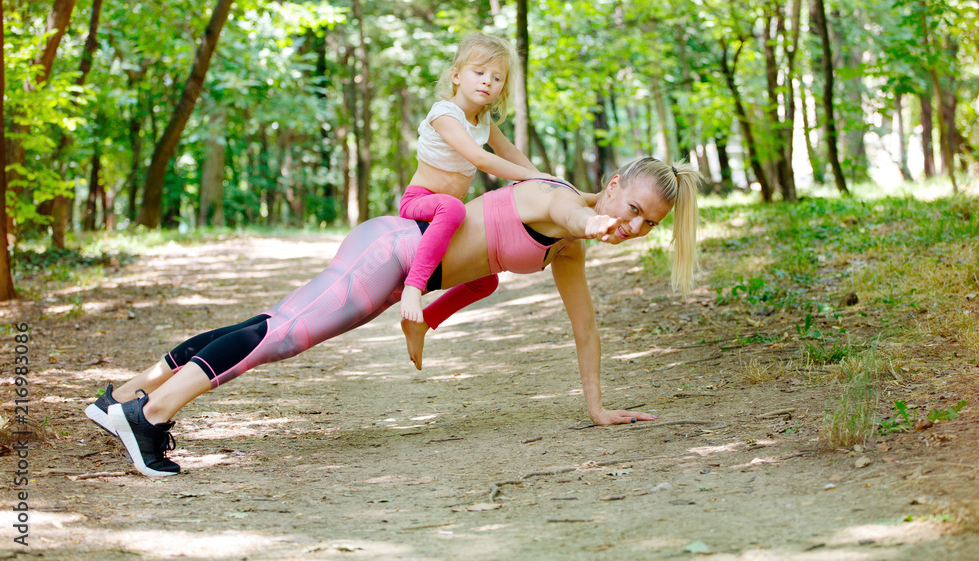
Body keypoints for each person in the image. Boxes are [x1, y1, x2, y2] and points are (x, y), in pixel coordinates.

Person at [84, 158, 700, 477]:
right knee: (282, 335)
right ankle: (151, 417)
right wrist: (599, 221)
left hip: (391, 273)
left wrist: (597, 408)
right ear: (614, 185)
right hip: (391, 252)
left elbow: (584, 327)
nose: (635, 227)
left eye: (649, 225)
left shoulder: (565, 247)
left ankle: (129, 396)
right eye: (635, 209)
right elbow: (577, 216)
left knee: (272, 324)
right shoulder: (560, 201)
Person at [399, 32, 551, 325]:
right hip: (420, 202)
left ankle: (426, 322)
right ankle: (413, 287)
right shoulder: (444, 114)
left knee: (487, 281)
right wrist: (530, 177)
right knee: (453, 208)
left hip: (448, 211)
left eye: (497, 78)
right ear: (456, 76)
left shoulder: (483, 120)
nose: (487, 81)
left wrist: (543, 180)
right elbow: (480, 158)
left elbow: (506, 150)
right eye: (479, 72)